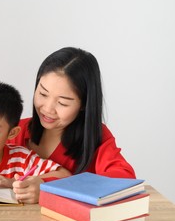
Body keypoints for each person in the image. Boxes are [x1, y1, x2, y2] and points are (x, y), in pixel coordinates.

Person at [10, 47, 136, 204]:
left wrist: (48, 188)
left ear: (84, 104)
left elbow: (124, 179)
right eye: (42, 94)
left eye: (62, 102)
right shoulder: (15, 131)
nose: (48, 109)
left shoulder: (96, 136)